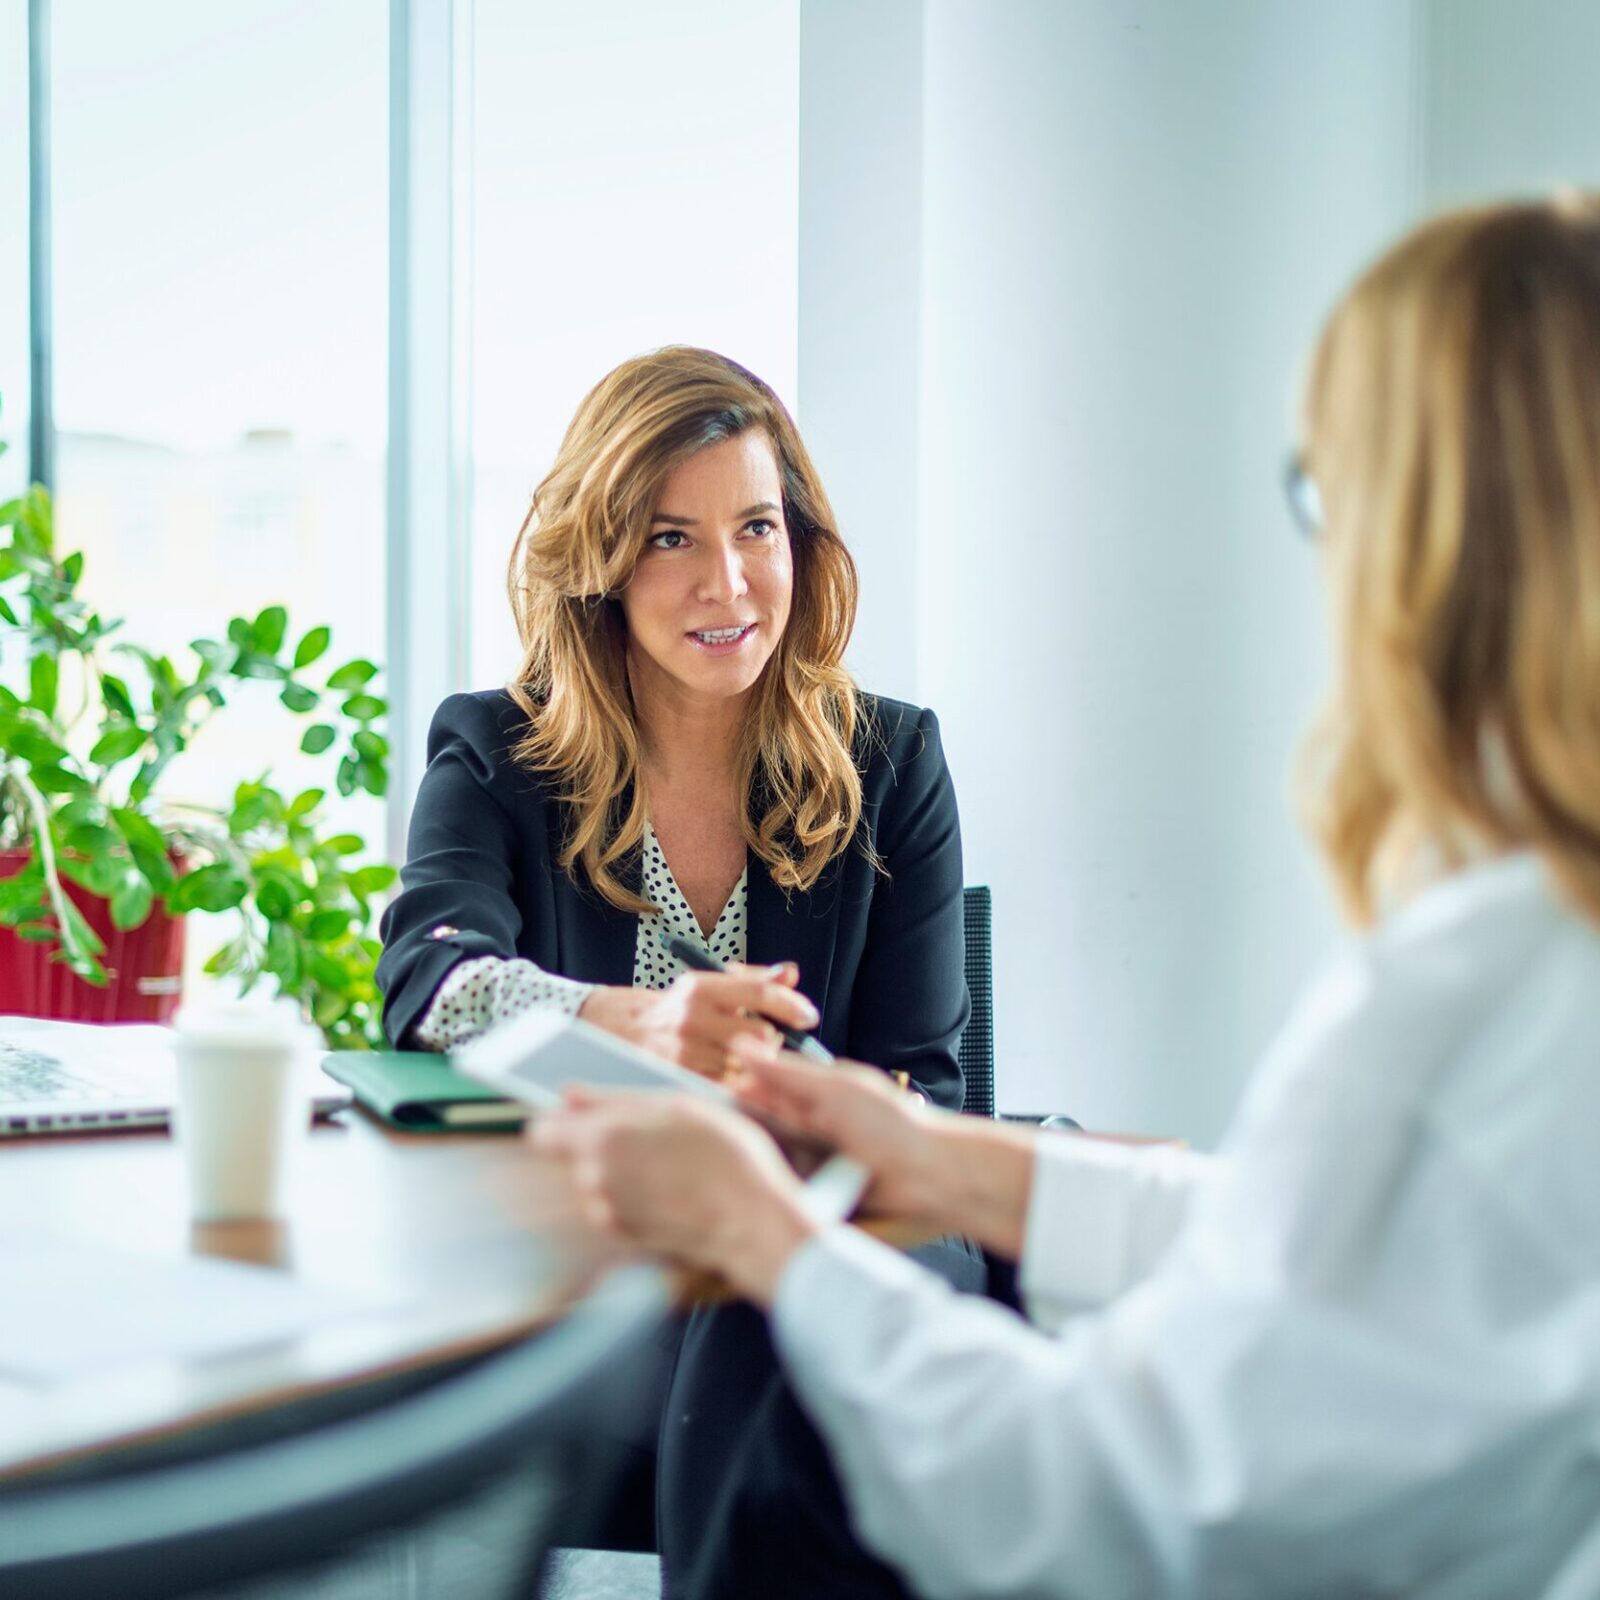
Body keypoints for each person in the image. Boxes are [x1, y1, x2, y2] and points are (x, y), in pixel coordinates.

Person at [533, 197, 1600, 1599]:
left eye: (1325, 492)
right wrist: (949, 1161)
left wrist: (765, 1234)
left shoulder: (1483, 989)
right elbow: (1323, 1254)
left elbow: (1104, 1499)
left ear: (1429, 538)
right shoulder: (1535, 954)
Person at [375, 345, 981, 1598]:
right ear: (601, 560)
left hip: (838, 1248)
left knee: (774, 1329)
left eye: (757, 526)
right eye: (667, 538)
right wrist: (630, 1023)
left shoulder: (894, 763)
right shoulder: (495, 750)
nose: (727, 581)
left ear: (799, 537)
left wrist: (773, 1183)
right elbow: (427, 984)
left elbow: (923, 1088)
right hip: (590, 1272)